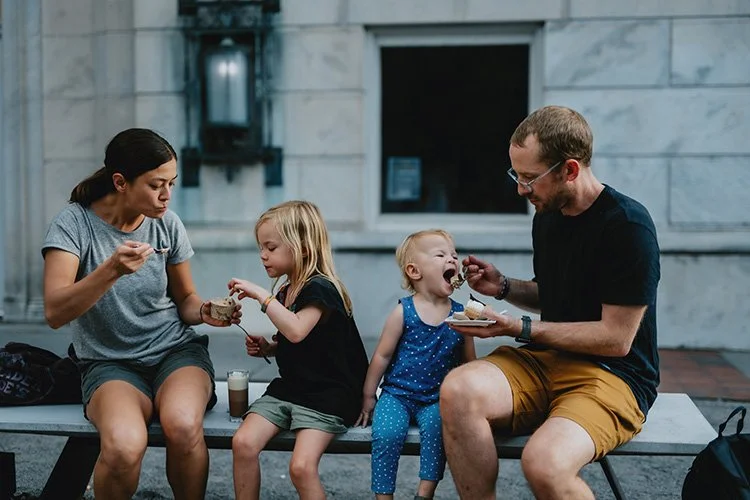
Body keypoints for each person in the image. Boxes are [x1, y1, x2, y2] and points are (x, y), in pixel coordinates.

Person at [440, 105, 661, 499]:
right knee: (458, 389)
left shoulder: (627, 226)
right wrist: (504, 287)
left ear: (569, 170)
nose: (520, 190)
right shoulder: (548, 213)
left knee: (543, 462)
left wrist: (518, 327)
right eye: (516, 175)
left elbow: (616, 338)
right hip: (546, 361)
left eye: (529, 178)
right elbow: (557, 296)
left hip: (612, 375)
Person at [42, 128, 240, 500]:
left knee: (182, 425)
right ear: (121, 182)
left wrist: (206, 310)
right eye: (156, 185)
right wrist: (111, 270)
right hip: (108, 362)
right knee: (122, 445)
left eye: (172, 183)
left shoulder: (167, 223)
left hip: (175, 353)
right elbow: (54, 311)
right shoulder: (74, 225)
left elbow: (184, 300)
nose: (167, 195)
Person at [228, 200, 369, 500]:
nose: (262, 255)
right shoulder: (285, 290)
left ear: (302, 247)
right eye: (261, 247)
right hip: (292, 389)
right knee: (243, 443)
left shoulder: (321, 288)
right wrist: (270, 346)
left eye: (271, 247)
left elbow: (296, 329)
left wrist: (262, 297)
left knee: (301, 467)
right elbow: (298, 342)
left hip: (328, 395)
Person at [355, 229, 476, 500]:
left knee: (437, 432)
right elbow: (382, 356)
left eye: (454, 255)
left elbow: (470, 363)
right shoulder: (403, 311)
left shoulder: (462, 316)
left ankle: (425, 493)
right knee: (386, 434)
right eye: (441, 255)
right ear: (414, 270)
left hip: (436, 398)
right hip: (398, 394)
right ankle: (384, 495)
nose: (452, 260)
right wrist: (368, 396)